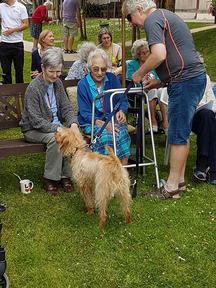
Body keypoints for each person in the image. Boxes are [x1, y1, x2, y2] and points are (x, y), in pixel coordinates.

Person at [122, 0, 206, 199]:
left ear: (139, 9)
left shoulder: (152, 20)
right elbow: (176, 57)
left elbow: (159, 54)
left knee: (177, 133)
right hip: (191, 78)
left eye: (130, 17)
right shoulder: (166, 15)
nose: (132, 23)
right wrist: (159, 83)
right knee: (182, 132)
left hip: (185, 81)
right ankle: (180, 182)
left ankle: (170, 187)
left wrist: (138, 74)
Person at [20, 48, 79, 195]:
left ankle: (65, 175)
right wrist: (57, 128)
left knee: (71, 134)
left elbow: (66, 108)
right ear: (43, 68)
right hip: (33, 130)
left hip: (55, 125)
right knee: (56, 139)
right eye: (51, 71)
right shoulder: (34, 88)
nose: (55, 75)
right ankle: (50, 179)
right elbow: (35, 121)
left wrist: (72, 123)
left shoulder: (58, 83)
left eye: (58, 71)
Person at [77, 48, 131, 165]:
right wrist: (103, 124)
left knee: (122, 134)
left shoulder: (112, 78)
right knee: (106, 137)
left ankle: (122, 173)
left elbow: (122, 98)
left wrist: (121, 110)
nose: (100, 73)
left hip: (112, 118)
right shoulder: (83, 84)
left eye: (103, 69)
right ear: (90, 68)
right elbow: (84, 112)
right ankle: (106, 174)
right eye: (96, 69)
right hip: (92, 121)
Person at [126, 39, 168, 132]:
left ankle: (165, 123)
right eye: (142, 53)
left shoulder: (153, 62)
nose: (146, 54)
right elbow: (130, 77)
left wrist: (155, 82)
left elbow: (159, 77)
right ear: (137, 54)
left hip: (156, 88)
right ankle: (153, 121)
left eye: (147, 52)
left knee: (162, 92)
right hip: (140, 90)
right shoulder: (132, 64)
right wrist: (143, 79)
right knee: (153, 91)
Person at [0, 0, 28, 84]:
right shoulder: (1, 6)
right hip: (4, 43)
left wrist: (13, 30)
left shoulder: (21, 7)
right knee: (5, 68)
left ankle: (19, 89)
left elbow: (26, 24)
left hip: (17, 43)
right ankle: (7, 89)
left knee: (19, 69)